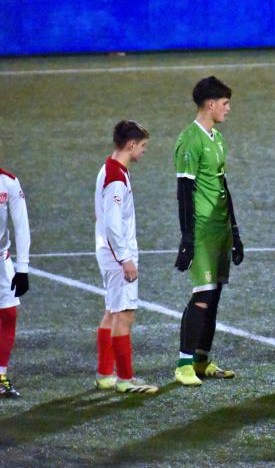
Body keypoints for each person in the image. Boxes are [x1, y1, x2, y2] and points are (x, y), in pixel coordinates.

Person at [173, 76, 244, 386]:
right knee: (202, 295)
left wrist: (235, 231)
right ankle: (183, 365)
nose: (228, 109)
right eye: (225, 103)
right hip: (202, 230)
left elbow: (222, 184)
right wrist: (187, 237)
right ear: (210, 104)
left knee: (213, 295)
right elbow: (184, 191)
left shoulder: (217, 138)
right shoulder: (190, 140)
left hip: (220, 229)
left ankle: (201, 360)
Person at [94, 120, 158, 394]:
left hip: (108, 252)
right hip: (117, 256)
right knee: (124, 314)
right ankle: (125, 379)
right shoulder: (116, 178)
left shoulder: (109, 169)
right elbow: (112, 224)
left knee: (112, 311)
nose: (144, 150)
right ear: (131, 145)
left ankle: (105, 374)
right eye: (142, 145)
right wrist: (125, 259)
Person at [0, 162, 30, 397]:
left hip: (2, 259)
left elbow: (21, 226)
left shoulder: (8, 182)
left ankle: (0, 375)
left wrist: (23, 269)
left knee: (9, 314)